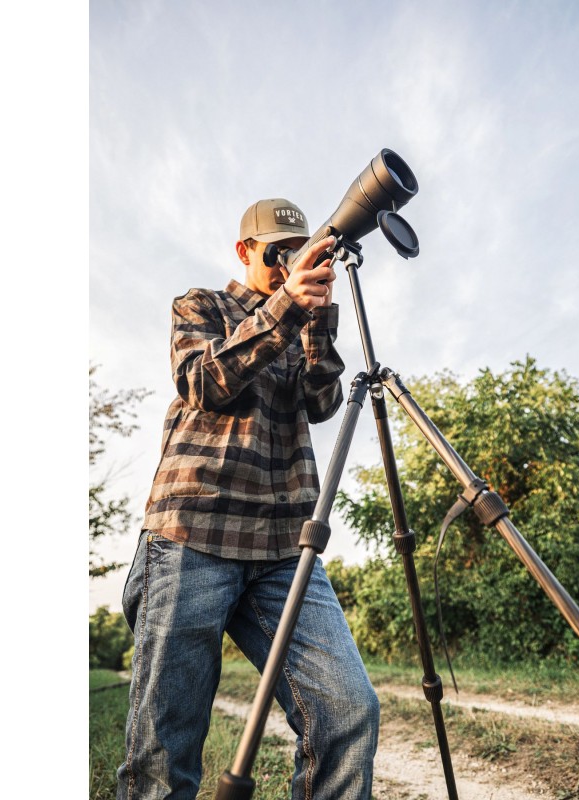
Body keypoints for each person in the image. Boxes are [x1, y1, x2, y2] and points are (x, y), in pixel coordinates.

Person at [116, 198, 380, 800]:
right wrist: (284, 306)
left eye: (298, 250)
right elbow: (202, 381)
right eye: (276, 252)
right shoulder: (201, 304)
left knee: (347, 710)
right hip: (193, 533)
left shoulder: (303, 320)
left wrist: (318, 321)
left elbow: (323, 404)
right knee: (164, 749)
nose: (288, 261)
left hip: (285, 547)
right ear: (244, 250)